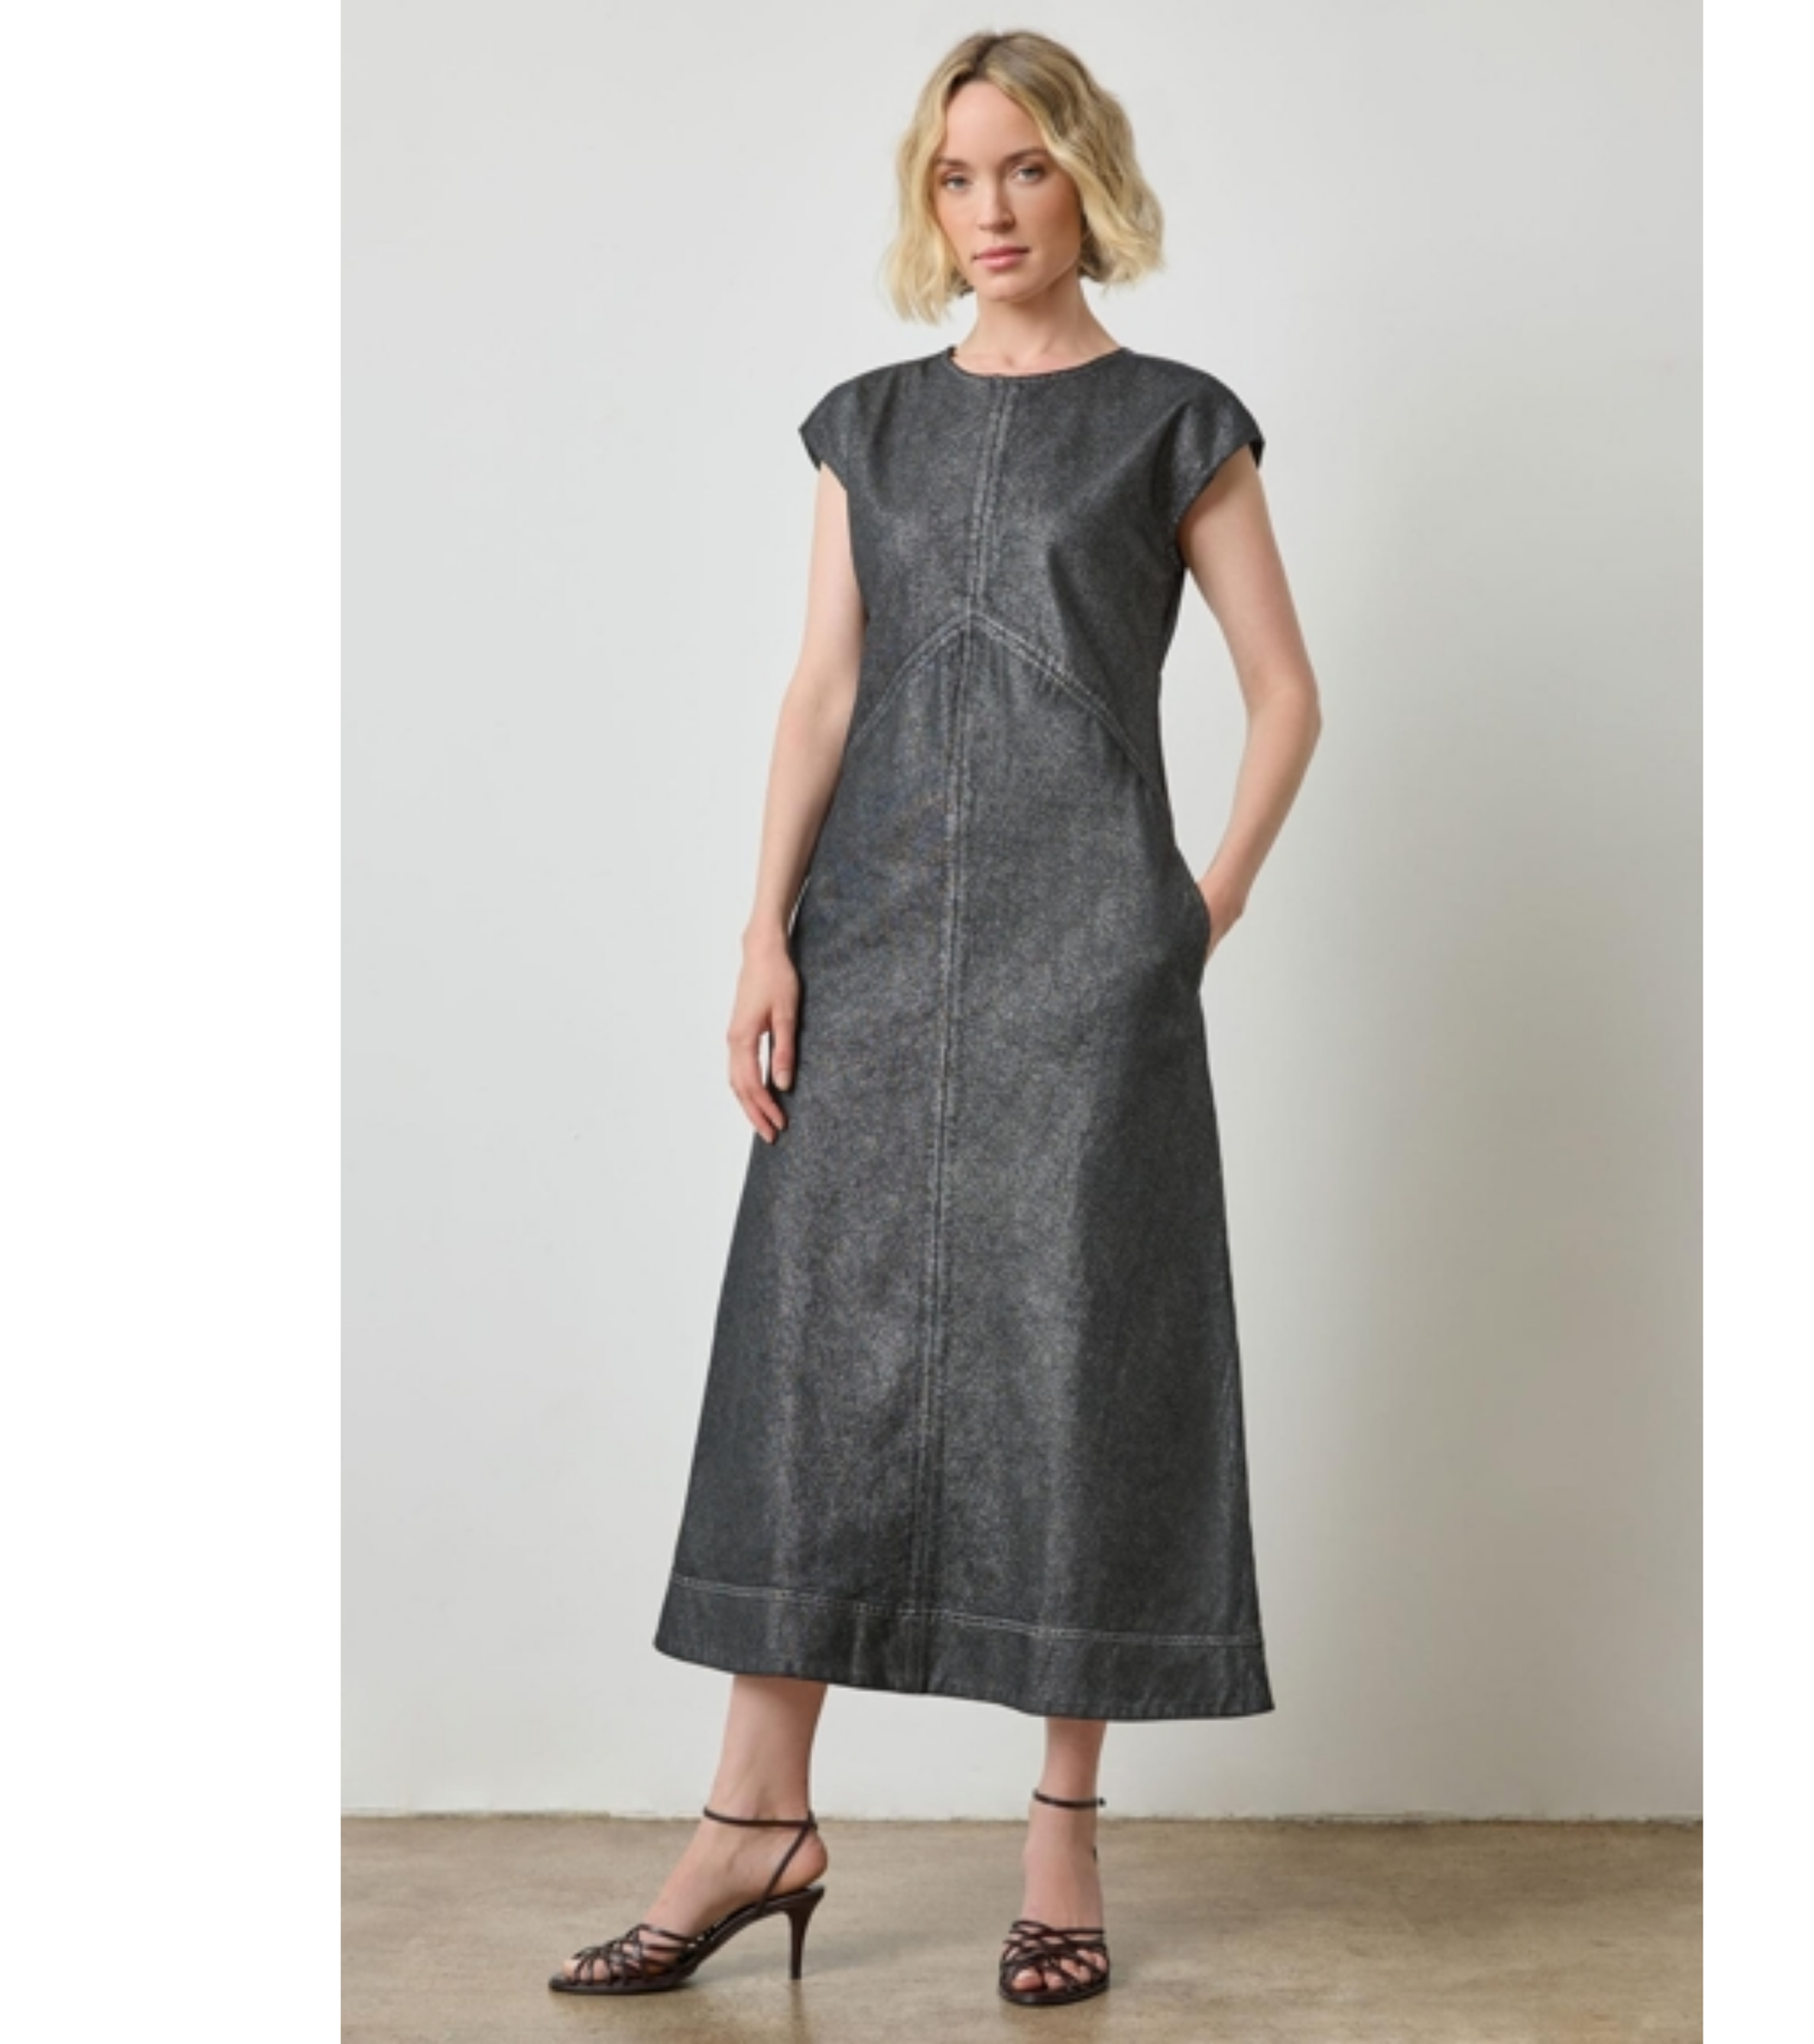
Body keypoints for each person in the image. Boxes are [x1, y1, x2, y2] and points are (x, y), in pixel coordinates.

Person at [552, 28, 1322, 2008]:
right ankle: (753, 1817)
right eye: (958, 174)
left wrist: (1192, 917)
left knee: (1079, 1358)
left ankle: (1059, 1836)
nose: (990, 208)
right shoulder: (867, 428)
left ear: (1088, 183)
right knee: (812, 1351)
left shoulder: (1176, 423)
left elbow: (1286, 694)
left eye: (1027, 168)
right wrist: (763, 933)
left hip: (1089, 972)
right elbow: (821, 690)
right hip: (873, 947)